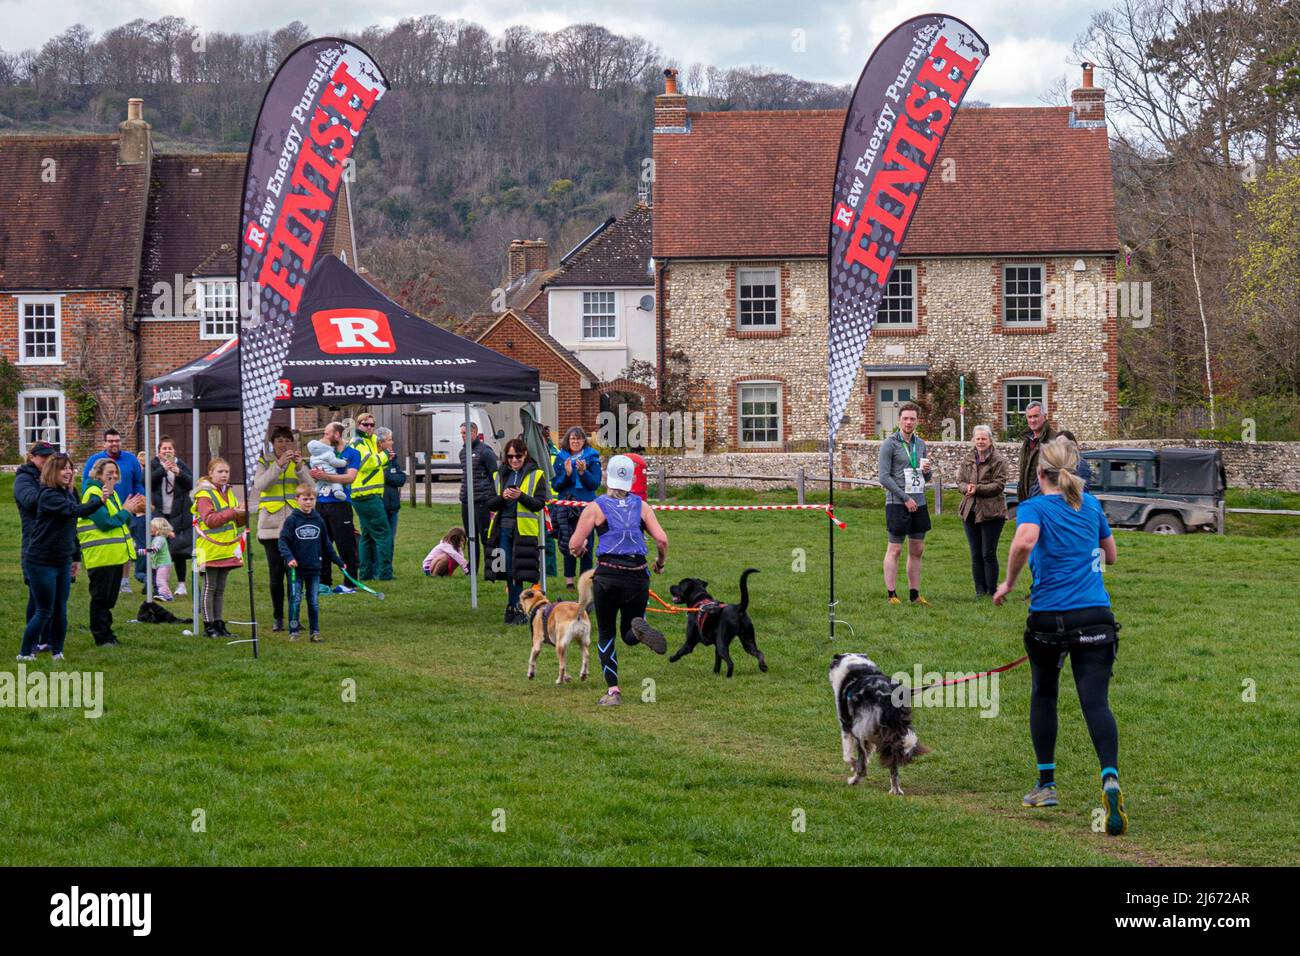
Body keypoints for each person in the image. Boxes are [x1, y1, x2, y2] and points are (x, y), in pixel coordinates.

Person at [993, 438, 1127, 836]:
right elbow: (1112, 556)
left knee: (1045, 694)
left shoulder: (1033, 506)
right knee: (1095, 702)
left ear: (1039, 474)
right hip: (1095, 616)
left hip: (1049, 618)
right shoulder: (1091, 505)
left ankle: (1046, 784)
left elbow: (1025, 540)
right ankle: (1109, 778)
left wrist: (1009, 581)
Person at [568, 454, 669, 707]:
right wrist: (660, 563)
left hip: (608, 576)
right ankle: (639, 631)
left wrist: (578, 551)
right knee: (628, 631)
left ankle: (613, 691)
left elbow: (575, 544)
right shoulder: (642, 506)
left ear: (607, 477)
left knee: (606, 634)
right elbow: (662, 540)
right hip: (638, 576)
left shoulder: (596, 506)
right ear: (632, 479)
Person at [19, 454, 105, 661]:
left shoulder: (69, 493)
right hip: (41, 561)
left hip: (61, 560)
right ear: (52, 472)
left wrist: (74, 557)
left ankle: (58, 651)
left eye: (70, 468)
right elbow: (75, 511)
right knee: (44, 610)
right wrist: (100, 501)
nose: (68, 472)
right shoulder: (48, 495)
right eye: (63, 469)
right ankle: (24, 652)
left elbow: (71, 528)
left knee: (60, 610)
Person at [78, 458, 147, 647]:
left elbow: (118, 521)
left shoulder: (111, 494)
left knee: (108, 600)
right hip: (101, 556)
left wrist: (126, 511)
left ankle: (107, 634)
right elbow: (106, 523)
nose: (114, 476)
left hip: (113, 555)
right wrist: (126, 510)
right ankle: (101, 636)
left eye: (116, 473)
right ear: (98, 474)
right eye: (109, 473)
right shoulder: (94, 493)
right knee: (101, 599)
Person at [485, 439, 548, 625]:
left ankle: (516, 608)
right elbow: (490, 503)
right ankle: (514, 607)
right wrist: (503, 497)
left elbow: (539, 504)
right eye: (510, 456)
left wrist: (521, 496)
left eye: (517, 456)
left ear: (525, 455)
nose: (514, 460)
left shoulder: (537, 475)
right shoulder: (499, 475)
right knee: (506, 569)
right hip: (502, 528)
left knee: (518, 571)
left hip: (524, 531)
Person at [878, 403, 933, 605]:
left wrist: (927, 471)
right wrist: (904, 497)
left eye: (912, 419)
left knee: (917, 549)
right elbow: (884, 477)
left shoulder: (920, 444)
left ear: (917, 421)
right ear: (899, 420)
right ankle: (892, 594)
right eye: (905, 418)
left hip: (919, 501)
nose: (909, 422)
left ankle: (915, 594)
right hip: (897, 503)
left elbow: (925, 477)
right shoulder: (889, 444)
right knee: (895, 549)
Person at [279, 484, 346, 642]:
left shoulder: (318, 520)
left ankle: (314, 632)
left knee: (313, 601)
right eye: (305, 499)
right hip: (296, 569)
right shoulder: (292, 521)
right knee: (295, 600)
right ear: (297, 500)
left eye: (311, 499)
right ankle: (293, 631)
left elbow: (326, 544)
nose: (308, 502)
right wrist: (289, 558)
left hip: (314, 568)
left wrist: (338, 561)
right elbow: (283, 542)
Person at [82, 427, 146, 594]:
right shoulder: (95, 460)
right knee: (110, 542)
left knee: (126, 543)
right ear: (104, 443)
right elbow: (86, 483)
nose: (114, 444)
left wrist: (140, 500)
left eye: (117, 440)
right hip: (106, 507)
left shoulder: (131, 459)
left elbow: (138, 482)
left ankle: (124, 580)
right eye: (110, 441)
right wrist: (90, 502)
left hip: (127, 506)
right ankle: (108, 578)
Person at [192, 458, 248, 639]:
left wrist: (241, 514)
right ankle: (209, 625)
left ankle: (218, 623)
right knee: (210, 587)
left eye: (226, 472)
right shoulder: (204, 495)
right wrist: (233, 512)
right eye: (220, 472)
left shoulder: (229, 492)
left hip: (225, 547)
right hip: (209, 547)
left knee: (220, 589)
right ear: (211, 473)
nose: (224, 475)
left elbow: (234, 519)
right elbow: (210, 520)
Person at [253, 426, 302, 631]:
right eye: (279, 440)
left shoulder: (297, 462)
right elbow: (260, 485)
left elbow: (311, 488)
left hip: (292, 525)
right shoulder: (264, 462)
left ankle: (294, 617)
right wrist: (278, 465)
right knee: (276, 574)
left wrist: (299, 468)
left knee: (293, 575)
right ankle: (277, 617)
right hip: (270, 527)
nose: (283, 444)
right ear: (273, 443)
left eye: (287, 440)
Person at [308, 421, 362, 592]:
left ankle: (350, 583)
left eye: (326, 433)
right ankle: (324, 583)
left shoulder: (352, 453)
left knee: (345, 545)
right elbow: (318, 477)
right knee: (321, 544)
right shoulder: (323, 452)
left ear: (337, 435)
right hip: (321, 504)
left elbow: (350, 478)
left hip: (340, 504)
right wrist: (315, 475)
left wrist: (326, 476)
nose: (324, 437)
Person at [957, 425, 1010, 597]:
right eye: (977, 439)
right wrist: (967, 488)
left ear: (990, 440)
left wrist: (977, 488)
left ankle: (992, 590)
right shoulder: (967, 459)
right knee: (975, 553)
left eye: (983, 439)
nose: (980, 442)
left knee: (988, 552)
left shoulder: (998, 460)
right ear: (973, 440)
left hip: (992, 512)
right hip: (970, 511)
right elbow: (960, 481)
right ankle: (980, 591)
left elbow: (999, 485)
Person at [16, 440, 58, 641]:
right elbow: (30, 501)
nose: (47, 460)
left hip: (55, 544)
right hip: (35, 545)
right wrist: (51, 490)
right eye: (43, 457)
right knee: (37, 596)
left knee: (52, 596)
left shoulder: (51, 479)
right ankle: (32, 640)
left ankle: (47, 638)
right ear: (32, 457)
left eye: (50, 457)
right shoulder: (24, 479)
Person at [551, 426, 602, 588]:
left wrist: (583, 473)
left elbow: (595, 483)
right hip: (566, 507)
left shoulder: (592, 458)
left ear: (583, 441)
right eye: (572, 439)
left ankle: (585, 579)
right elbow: (556, 486)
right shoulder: (561, 458)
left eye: (578, 439)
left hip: (586, 507)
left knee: (587, 541)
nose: (575, 442)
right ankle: (569, 581)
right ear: (568, 440)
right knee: (568, 540)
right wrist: (566, 475)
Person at [350, 412, 395, 582]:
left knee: (367, 537)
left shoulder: (370, 440)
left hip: (367, 495)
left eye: (372, 424)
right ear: (358, 425)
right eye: (365, 424)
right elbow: (367, 463)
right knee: (384, 535)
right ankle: (385, 574)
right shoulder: (357, 441)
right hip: (366, 495)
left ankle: (366, 574)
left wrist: (382, 454)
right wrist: (384, 456)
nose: (369, 427)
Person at [149, 437, 193, 598]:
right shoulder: (154, 464)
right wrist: (162, 469)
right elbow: (146, 481)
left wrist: (178, 472)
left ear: (174, 451)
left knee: (178, 549)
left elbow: (191, 483)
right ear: (159, 451)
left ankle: (181, 584)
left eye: (170, 448)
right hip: (160, 513)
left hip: (179, 513)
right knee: (159, 548)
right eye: (164, 448)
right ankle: (158, 584)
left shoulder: (180, 464)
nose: (167, 451)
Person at [458, 421, 498, 576]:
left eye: (466, 433)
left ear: (474, 433)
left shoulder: (485, 452)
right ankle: (472, 568)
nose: (463, 436)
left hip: (483, 500)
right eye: (461, 433)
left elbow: (495, 475)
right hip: (466, 500)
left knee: (486, 536)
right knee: (470, 536)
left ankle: (493, 569)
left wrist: (493, 498)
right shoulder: (462, 453)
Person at [1016, 400, 1059, 504]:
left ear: (1045, 417)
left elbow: (1057, 473)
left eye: (1036, 416)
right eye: (1029, 417)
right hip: (1028, 499)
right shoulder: (1027, 441)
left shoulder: (1054, 439)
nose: (1032, 420)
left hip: (1046, 500)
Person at [379, 428, 406, 545]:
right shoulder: (376, 458)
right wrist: (391, 476)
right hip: (381, 507)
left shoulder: (393, 458)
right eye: (389, 440)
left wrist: (391, 476)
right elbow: (386, 476)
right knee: (381, 541)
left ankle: (388, 562)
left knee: (391, 541)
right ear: (381, 443)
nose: (392, 442)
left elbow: (401, 479)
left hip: (393, 507)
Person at [540, 425, 560, 580]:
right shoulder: (538, 453)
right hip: (541, 499)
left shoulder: (554, 454)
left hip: (551, 501)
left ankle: (550, 570)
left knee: (548, 536)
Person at [148, 517, 177, 601]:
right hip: (162, 564)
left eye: (152, 527)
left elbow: (155, 550)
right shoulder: (158, 538)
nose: (149, 529)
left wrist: (143, 551)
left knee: (160, 580)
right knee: (163, 580)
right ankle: (169, 596)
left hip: (163, 564)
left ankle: (163, 595)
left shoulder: (159, 539)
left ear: (158, 528)